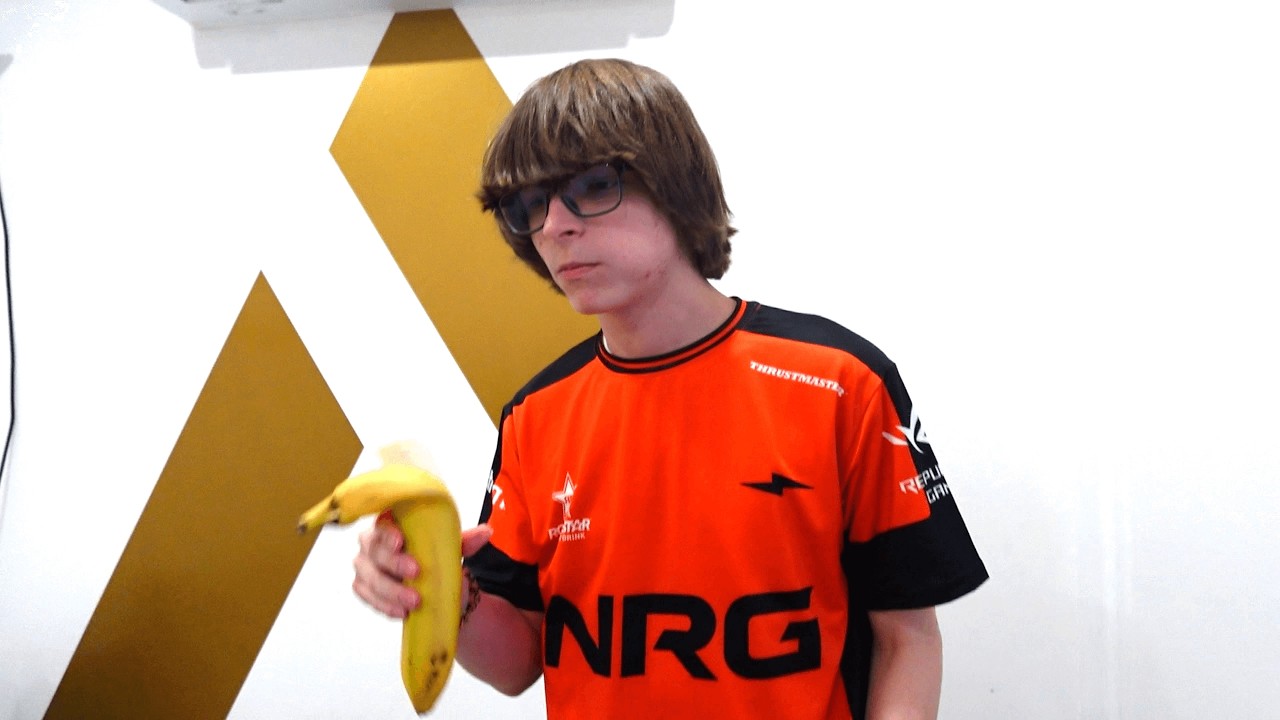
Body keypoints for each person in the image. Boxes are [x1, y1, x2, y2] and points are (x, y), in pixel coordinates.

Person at [353, 58, 988, 720]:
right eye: (529, 206)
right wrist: (442, 592)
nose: (553, 226)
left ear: (675, 184)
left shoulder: (841, 381)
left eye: (592, 186)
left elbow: (907, 639)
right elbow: (517, 664)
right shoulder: (534, 415)